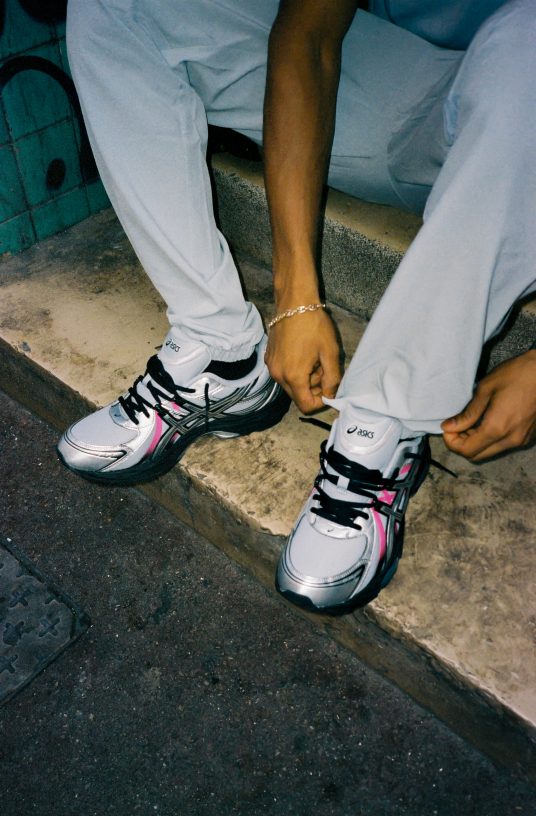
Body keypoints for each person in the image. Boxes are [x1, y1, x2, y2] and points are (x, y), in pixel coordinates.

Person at [59, 0, 536, 614]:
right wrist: (295, 300)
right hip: (408, 87)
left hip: (519, 124)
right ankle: (220, 353)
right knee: (116, 5)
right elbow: (307, 34)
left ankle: (384, 424)